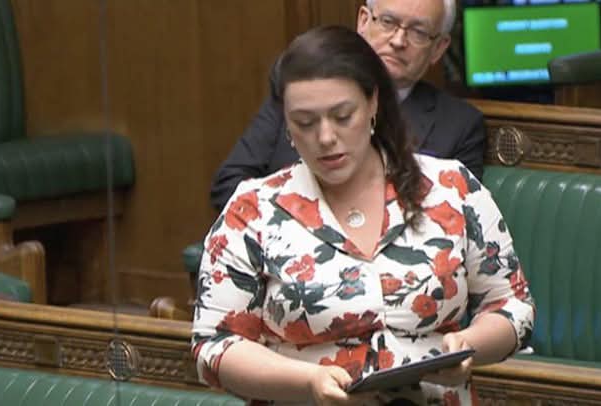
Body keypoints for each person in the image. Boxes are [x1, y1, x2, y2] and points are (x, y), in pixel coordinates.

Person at [192, 26, 534, 405]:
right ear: (285, 122)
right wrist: (308, 380)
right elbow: (215, 344)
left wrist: (469, 345)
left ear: (373, 104)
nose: (325, 137)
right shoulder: (253, 209)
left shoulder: (451, 187)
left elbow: (512, 306)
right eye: (305, 122)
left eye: (342, 116)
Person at [210, 0, 486, 211]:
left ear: (439, 48)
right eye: (388, 22)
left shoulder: (459, 125)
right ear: (364, 21)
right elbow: (229, 185)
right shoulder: (300, 92)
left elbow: (454, 215)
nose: (398, 41)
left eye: (418, 32)